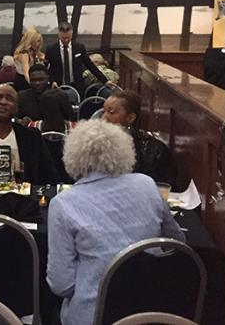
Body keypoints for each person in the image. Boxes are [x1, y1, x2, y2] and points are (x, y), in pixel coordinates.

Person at [46, 119, 185, 325]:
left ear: (72, 156)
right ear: (123, 151)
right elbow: (177, 242)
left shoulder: (63, 204)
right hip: (153, 308)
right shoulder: (147, 184)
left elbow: (61, 284)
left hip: (94, 314)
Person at [102, 90, 178, 185]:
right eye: (103, 111)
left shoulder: (153, 150)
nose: (104, 118)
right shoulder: (99, 144)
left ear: (130, 118)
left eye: (111, 112)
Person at [45, 21, 114, 96]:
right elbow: (47, 69)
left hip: (77, 86)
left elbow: (90, 65)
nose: (66, 40)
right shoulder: (51, 49)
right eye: (63, 38)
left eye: (68, 37)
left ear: (72, 33)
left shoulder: (79, 48)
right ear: (59, 35)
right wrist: (52, 81)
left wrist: (105, 80)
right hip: (58, 86)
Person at [17, 64, 75, 133]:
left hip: (59, 134)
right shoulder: (22, 96)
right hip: (30, 134)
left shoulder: (59, 95)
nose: (37, 83)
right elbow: (15, 118)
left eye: (41, 79)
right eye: (33, 80)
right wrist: (20, 121)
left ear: (48, 78)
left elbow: (71, 119)